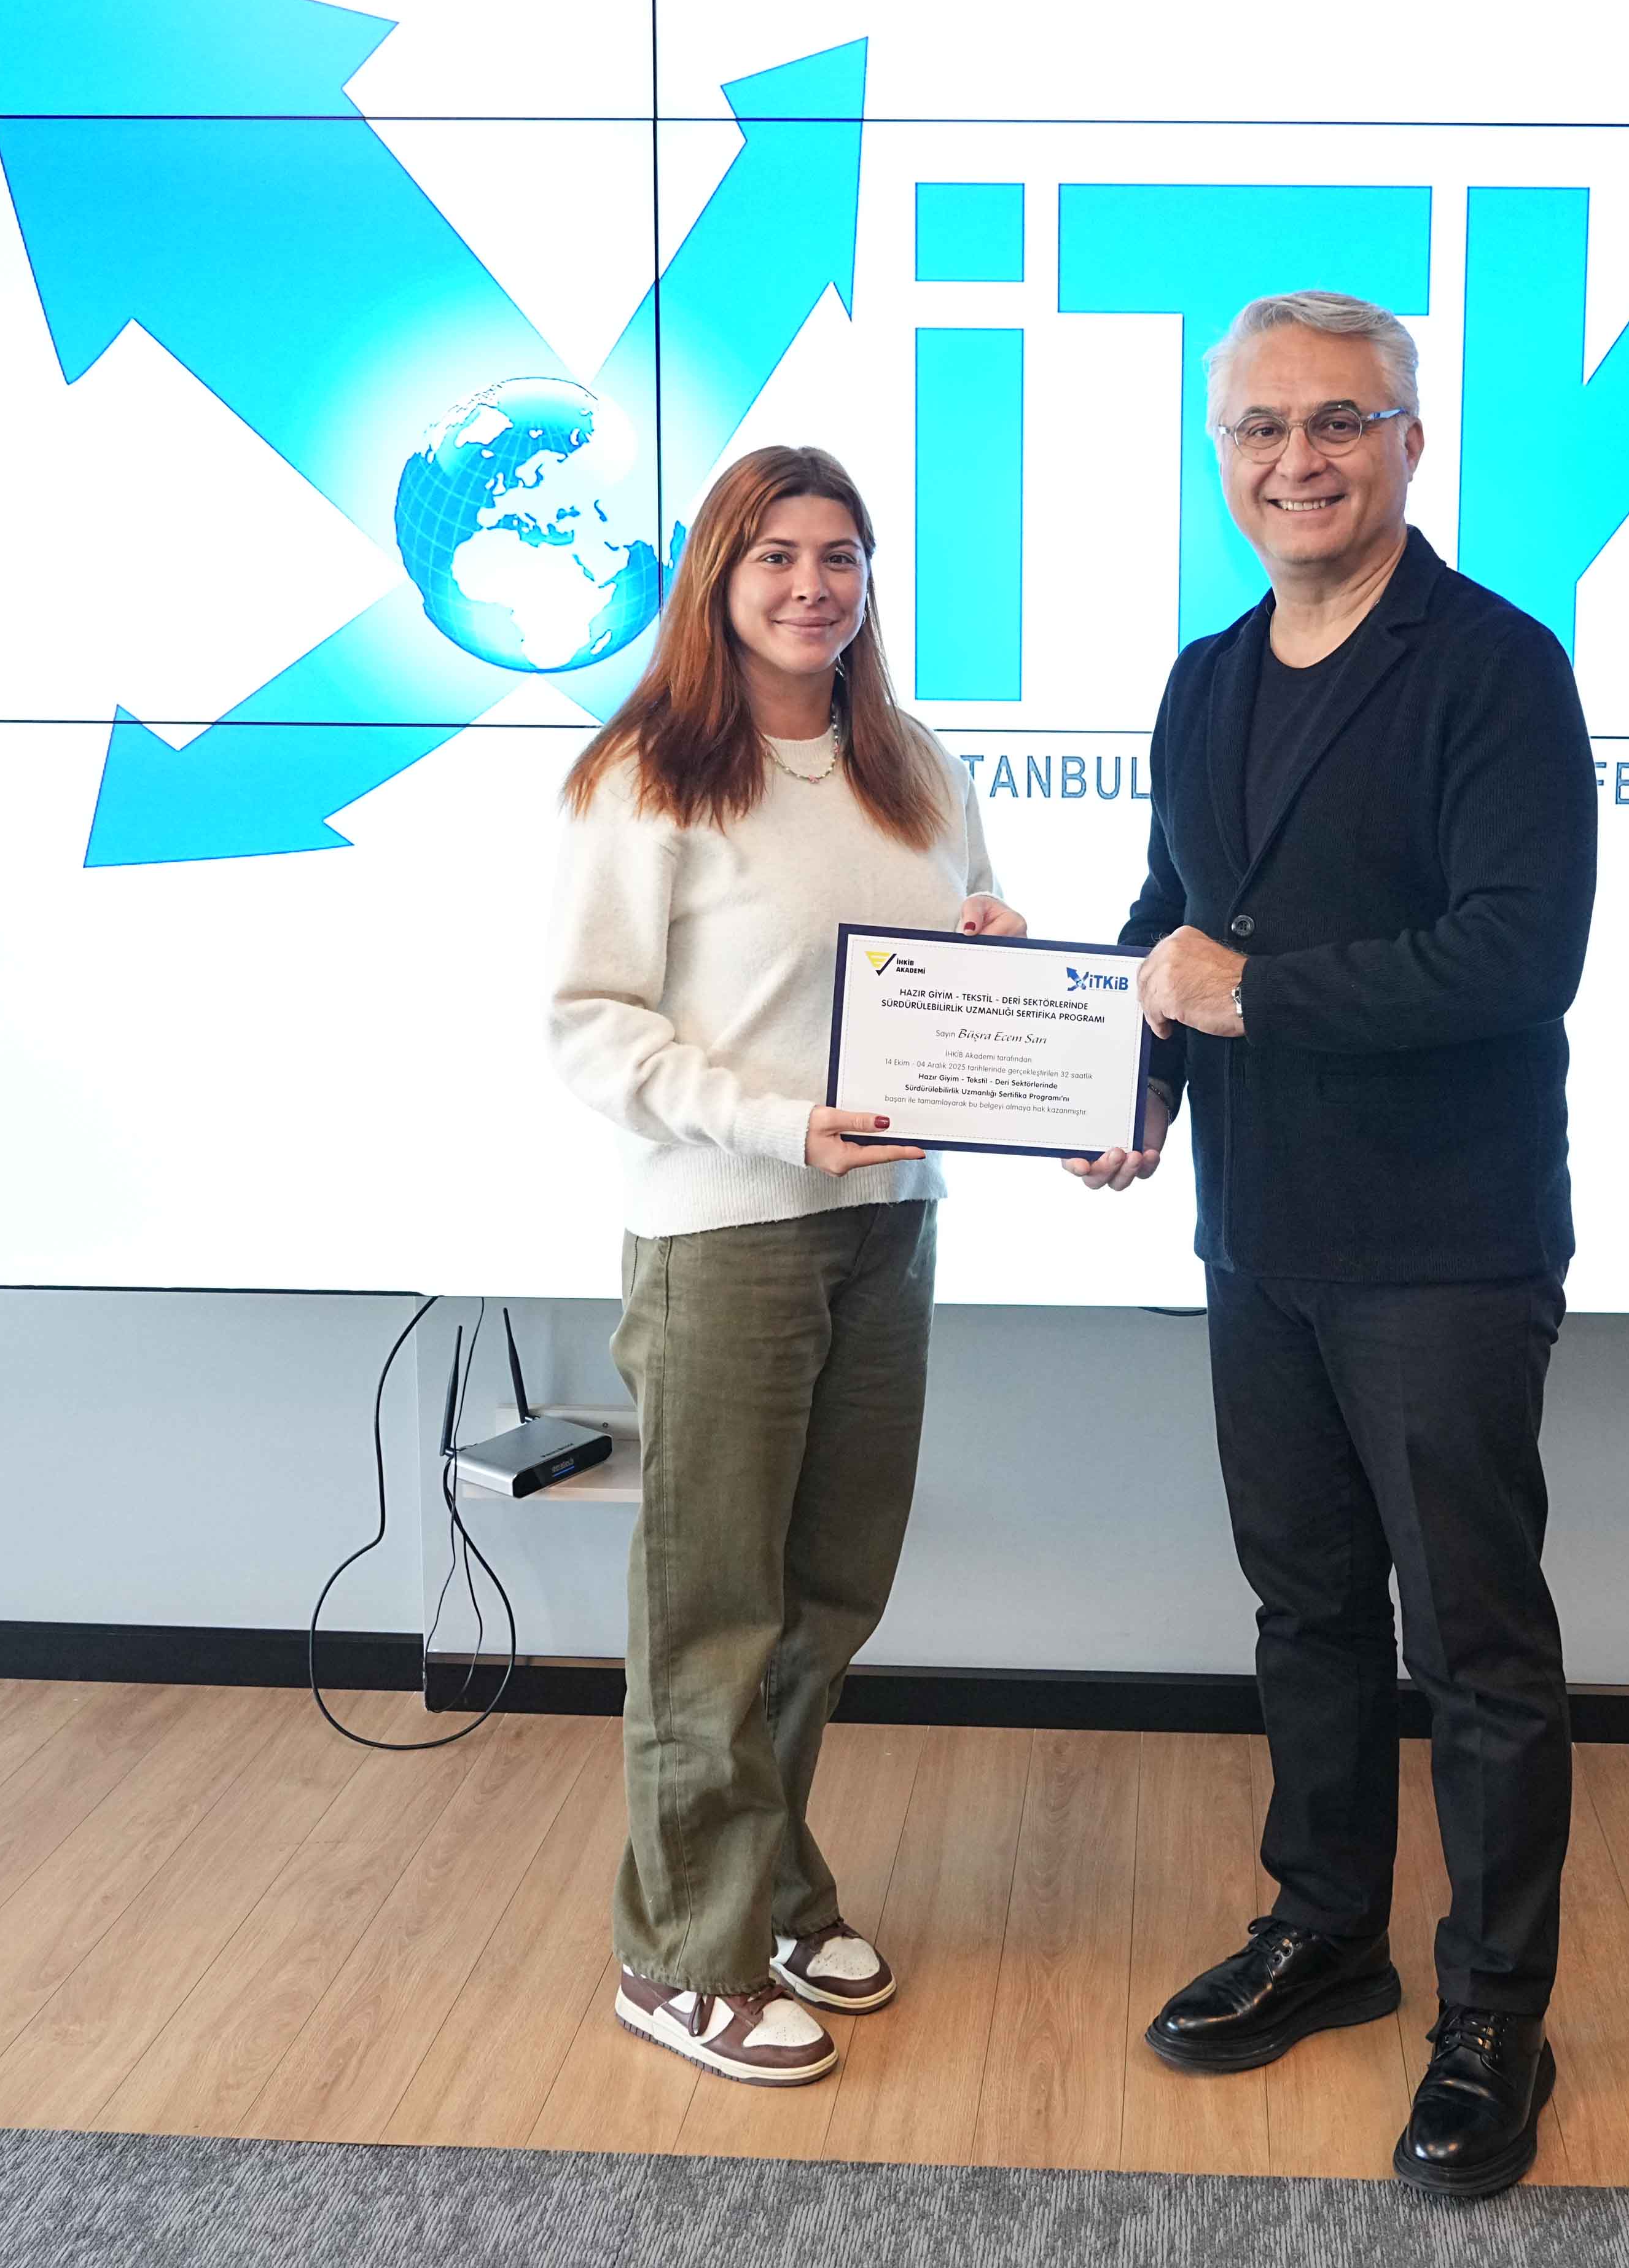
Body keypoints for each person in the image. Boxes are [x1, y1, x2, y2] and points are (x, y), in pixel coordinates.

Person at [1066, 291, 1597, 2198]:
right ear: (1223, 457)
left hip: (1444, 1248)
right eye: (1261, 429)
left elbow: (1518, 955)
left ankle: (1497, 2015)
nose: (1297, 460)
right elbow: (1174, 918)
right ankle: (1331, 1929)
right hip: (1261, 1235)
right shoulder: (1209, 676)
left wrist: (1249, 996)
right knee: (1303, 1612)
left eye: (1339, 423)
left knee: (1474, 1645)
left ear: (1410, 445)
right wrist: (1125, 1083)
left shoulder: (1496, 667)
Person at [549, 443, 1022, 2088]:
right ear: (719, 577)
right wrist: (774, 1125)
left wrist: (999, 961)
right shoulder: (652, 772)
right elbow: (591, 1025)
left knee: (827, 1594)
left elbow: (965, 948)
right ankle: (681, 1956)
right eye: (777, 555)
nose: (813, 585)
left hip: (888, 1223)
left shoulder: (910, 763)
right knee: (716, 1613)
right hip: (728, 1229)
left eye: (841, 556)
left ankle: (774, 1885)